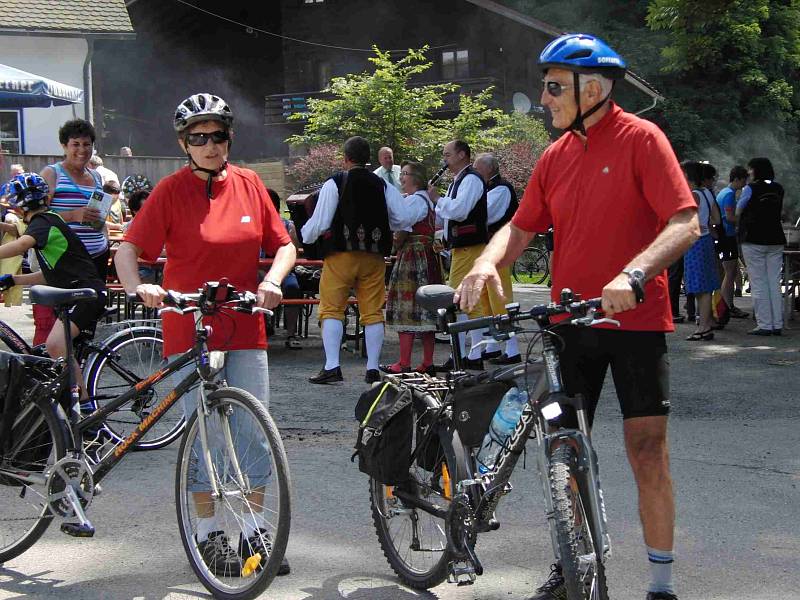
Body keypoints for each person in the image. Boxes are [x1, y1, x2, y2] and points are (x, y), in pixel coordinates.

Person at [455, 34, 699, 600]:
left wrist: (632, 276)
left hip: (635, 323)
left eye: (553, 87)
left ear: (594, 89)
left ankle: (661, 584)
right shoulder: (556, 155)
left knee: (646, 450)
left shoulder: (642, 138)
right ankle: (574, 558)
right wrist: (488, 264)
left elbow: (684, 221)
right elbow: (520, 228)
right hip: (570, 325)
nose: (542, 98)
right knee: (563, 447)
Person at [114, 92, 296, 576]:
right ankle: (209, 535)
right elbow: (128, 249)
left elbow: (283, 246)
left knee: (254, 431)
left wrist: (273, 280)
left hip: (244, 323)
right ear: (184, 143)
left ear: (229, 137)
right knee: (206, 435)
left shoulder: (251, 183)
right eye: (199, 137)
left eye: (217, 135)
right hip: (189, 326)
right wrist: (139, 288)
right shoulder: (170, 191)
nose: (210, 145)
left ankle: (255, 531)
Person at [301, 136, 427, 384]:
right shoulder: (383, 185)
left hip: (341, 255)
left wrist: (305, 236)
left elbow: (321, 221)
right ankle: (371, 368)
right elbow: (402, 218)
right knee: (372, 312)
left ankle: (332, 366)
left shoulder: (336, 182)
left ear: (345, 158)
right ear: (369, 159)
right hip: (374, 256)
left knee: (331, 309)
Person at [0, 173, 106, 383]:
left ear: (20, 208)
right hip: (80, 292)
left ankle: (82, 405)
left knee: (56, 345)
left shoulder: (42, 222)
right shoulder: (50, 221)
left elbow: (21, 245)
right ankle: (69, 401)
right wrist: (13, 279)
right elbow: (51, 275)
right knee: (51, 351)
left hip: (85, 295)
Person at [428, 139, 489, 370]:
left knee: (459, 299)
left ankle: (466, 356)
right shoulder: (460, 180)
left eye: (447, 155)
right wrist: (443, 238)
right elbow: (452, 215)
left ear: (462, 154)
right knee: (468, 301)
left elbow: (460, 212)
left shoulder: (471, 179)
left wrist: (436, 199)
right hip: (462, 246)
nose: (445, 160)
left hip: (470, 246)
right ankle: (469, 355)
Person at [380, 161, 443, 375]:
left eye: (405, 174)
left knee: (406, 307)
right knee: (426, 309)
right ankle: (427, 362)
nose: (401, 178)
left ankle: (404, 362)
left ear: (415, 178)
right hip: (428, 256)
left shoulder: (416, 200)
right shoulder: (426, 200)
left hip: (413, 256)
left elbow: (403, 227)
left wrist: (395, 243)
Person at [41, 120, 111, 282]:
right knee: (71, 306)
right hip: (66, 258)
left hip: (98, 255)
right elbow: (38, 219)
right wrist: (73, 215)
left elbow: (99, 217)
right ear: (64, 146)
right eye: (76, 144)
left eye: (87, 144)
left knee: (95, 304)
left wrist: (105, 241)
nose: (82, 150)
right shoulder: (51, 174)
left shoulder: (97, 176)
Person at [472, 152, 521, 364]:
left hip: (500, 249)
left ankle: (513, 349)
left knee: (499, 296)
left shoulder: (501, 188)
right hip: (487, 249)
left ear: (490, 169)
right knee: (486, 298)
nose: (474, 171)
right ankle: (492, 345)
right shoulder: (489, 188)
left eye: (478, 167)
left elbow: (486, 214)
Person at [736, 157, 786, 335]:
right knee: (774, 281)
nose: (748, 173)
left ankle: (765, 324)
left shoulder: (750, 189)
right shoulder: (778, 188)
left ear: (756, 170)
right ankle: (777, 323)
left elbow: (739, 210)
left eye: (750, 170)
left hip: (754, 239)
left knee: (758, 282)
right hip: (776, 239)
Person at [681, 160, 721, 341]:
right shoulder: (706, 193)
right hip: (705, 241)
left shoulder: (693, 195)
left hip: (695, 243)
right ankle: (706, 324)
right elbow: (717, 220)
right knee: (704, 287)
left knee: (700, 288)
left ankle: (703, 327)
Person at [267, 188, 304, 349]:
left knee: (292, 287)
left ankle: (291, 333)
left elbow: (294, 251)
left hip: (284, 270)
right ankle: (261, 329)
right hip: (259, 269)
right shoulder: (253, 223)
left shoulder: (289, 225)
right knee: (251, 285)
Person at [715, 166, 750, 319]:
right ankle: (725, 308)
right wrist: (746, 222)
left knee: (730, 272)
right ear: (737, 179)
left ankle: (729, 306)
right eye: (743, 180)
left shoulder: (723, 192)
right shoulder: (729, 194)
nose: (744, 184)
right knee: (730, 274)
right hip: (727, 237)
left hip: (724, 237)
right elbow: (730, 217)